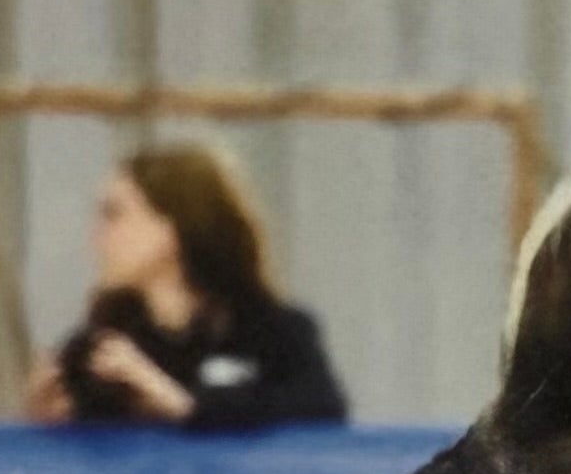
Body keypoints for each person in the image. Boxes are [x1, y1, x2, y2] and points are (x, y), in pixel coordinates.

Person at [23, 145, 347, 431]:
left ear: (171, 229)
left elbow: (322, 411)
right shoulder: (103, 348)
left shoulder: (274, 331)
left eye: (114, 215)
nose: (97, 237)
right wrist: (49, 422)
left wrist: (184, 404)